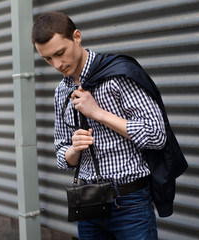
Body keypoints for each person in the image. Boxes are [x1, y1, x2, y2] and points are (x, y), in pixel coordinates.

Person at [31, 12, 167, 240]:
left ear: (76, 37)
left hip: (130, 203)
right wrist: (73, 150)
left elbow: (156, 135)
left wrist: (98, 113)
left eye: (60, 53)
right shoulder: (61, 92)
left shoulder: (118, 75)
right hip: (89, 204)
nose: (57, 64)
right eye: (47, 59)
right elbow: (61, 155)